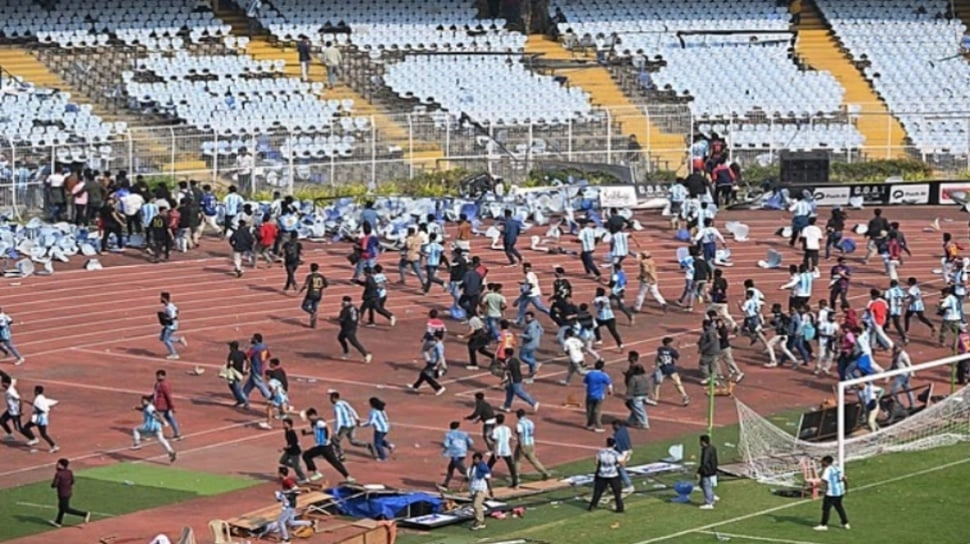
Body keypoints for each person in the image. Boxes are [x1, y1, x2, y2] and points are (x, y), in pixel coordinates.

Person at [300, 408, 353, 483]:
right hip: (321, 446)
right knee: (334, 461)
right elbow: (316, 431)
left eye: (308, 417)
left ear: (313, 415)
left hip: (324, 446)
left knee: (306, 455)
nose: (308, 419)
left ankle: (317, 473)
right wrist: (307, 433)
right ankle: (348, 476)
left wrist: (327, 439)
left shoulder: (319, 422)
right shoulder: (314, 423)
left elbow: (328, 427)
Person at [273, 467, 315, 543]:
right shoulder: (286, 481)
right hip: (291, 504)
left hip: (289, 505)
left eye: (278, 472)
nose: (278, 474)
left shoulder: (287, 481)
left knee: (280, 522)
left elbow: (296, 489)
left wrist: (304, 488)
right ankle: (310, 523)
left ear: (281, 473)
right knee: (291, 522)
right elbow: (294, 492)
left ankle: (286, 539)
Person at [131, 395, 177, 462]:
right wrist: (136, 408)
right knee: (161, 439)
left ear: (148, 401)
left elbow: (156, 415)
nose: (142, 402)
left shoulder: (150, 408)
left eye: (143, 401)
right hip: (157, 427)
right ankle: (171, 451)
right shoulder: (147, 407)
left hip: (150, 427)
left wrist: (163, 422)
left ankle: (137, 444)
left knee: (136, 429)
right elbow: (143, 409)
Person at [330, 391, 373, 460]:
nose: (330, 400)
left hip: (345, 426)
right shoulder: (344, 402)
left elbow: (339, 419)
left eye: (331, 398)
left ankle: (341, 455)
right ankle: (367, 445)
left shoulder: (337, 407)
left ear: (334, 398)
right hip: (352, 424)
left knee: (335, 440)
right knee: (352, 441)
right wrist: (357, 418)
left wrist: (336, 431)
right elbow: (352, 410)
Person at [49, 458, 90, 528]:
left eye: (58, 464)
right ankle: (58, 522)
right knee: (61, 507)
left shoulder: (59, 474)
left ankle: (84, 514)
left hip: (62, 493)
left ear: (62, 466)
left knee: (65, 509)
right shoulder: (69, 472)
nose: (56, 465)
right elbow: (72, 481)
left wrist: (53, 485)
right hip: (68, 492)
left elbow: (55, 484)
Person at [587, 437, 625, 513]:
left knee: (597, 492)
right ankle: (619, 508)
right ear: (614, 445)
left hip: (602, 474)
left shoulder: (600, 452)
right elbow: (622, 464)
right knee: (617, 492)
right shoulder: (616, 453)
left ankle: (592, 506)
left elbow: (596, 462)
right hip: (613, 475)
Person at [814, 455, 850, 531]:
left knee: (826, 509)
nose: (821, 464)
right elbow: (844, 478)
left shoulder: (828, 470)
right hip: (840, 492)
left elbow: (823, 481)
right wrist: (846, 489)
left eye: (822, 462)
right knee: (839, 507)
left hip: (832, 493)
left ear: (826, 462)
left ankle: (823, 524)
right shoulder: (837, 468)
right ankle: (845, 523)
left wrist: (814, 487)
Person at [513, 409, 550, 480]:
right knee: (534, 460)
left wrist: (521, 445)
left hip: (523, 443)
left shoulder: (519, 424)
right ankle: (545, 472)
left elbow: (520, 435)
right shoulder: (530, 422)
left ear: (518, 416)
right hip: (531, 443)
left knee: (517, 460)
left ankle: (516, 476)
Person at [439, 421, 474, 491]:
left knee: (461, 468)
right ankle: (445, 484)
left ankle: (470, 477)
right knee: (451, 468)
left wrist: (444, 449)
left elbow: (446, 444)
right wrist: (467, 447)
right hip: (463, 453)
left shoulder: (449, 434)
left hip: (455, 454)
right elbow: (470, 442)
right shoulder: (464, 434)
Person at [23, 384, 57, 453]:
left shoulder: (38, 399)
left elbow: (40, 409)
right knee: (28, 427)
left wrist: (36, 410)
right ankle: (34, 439)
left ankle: (53, 446)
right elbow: (38, 405)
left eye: (35, 391)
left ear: (37, 391)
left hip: (40, 418)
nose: (34, 392)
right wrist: (28, 402)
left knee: (42, 433)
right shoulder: (41, 398)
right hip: (41, 418)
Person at [487, 413, 518, 488]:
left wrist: (495, 451)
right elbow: (510, 439)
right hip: (507, 449)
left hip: (499, 450)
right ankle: (515, 482)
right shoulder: (507, 428)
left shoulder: (496, 430)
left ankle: (484, 478)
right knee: (511, 466)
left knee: (489, 465)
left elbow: (496, 442)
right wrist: (511, 448)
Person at [411, 330, 447, 395]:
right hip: (432, 362)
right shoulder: (438, 344)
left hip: (434, 363)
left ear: (437, 337)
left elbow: (440, 356)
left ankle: (438, 388)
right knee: (423, 374)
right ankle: (415, 386)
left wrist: (438, 365)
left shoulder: (439, 345)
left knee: (426, 375)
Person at [338, 296, 372, 363]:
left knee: (354, 342)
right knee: (340, 338)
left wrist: (337, 319)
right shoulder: (354, 307)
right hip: (350, 327)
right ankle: (346, 352)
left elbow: (342, 319)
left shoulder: (345, 310)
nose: (343, 302)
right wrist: (358, 321)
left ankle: (365, 354)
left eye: (344, 301)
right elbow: (358, 313)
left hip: (348, 328)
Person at [360, 397, 394, 461]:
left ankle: (383, 456)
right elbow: (386, 418)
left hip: (379, 429)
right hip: (386, 428)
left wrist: (361, 425)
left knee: (377, 444)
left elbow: (370, 422)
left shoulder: (373, 411)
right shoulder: (382, 410)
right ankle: (389, 445)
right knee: (380, 440)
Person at [583, 359, 613, 432]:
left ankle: (589, 424)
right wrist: (610, 391)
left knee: (589, 410)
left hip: (590, 394)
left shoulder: (589, 374)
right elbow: (609, 384)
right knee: (597, 411)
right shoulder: (603, 375)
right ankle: (598, 426)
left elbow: (585, 384)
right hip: (599, 395)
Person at [152, 369, 182, 441]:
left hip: (163, 405)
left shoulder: (164, 385)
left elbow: (168, 396)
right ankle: (177, 434)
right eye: (157, 375)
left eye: (160, 376)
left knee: (158, 419)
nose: (158, 377)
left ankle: (157, 433)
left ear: (164, 376)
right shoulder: (157, 384)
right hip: (158, 404)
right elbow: (155, 394)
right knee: (170, 419)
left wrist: (172, 406)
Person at [157, 292, 187, 360]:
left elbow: (173, 316)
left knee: (166, 340)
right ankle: (179, 340)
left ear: (164, 298)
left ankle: (174, 354)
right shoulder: (170, 305)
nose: (160, 299)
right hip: (170, 324)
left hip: (171, 325)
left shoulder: (169, 308)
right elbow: (177, 310)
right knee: (162, 337)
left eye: (161, 297)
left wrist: (166, 318)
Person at [467, 451, 493, 531]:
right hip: (474, 488)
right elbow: (470, 478)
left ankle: (479, 521)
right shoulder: (471, 468)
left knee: (476, 505)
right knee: (476, 507)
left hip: (481, 489)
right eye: (474, 459)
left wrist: (490, 490)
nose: (475, 461)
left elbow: (488, 479)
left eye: (477, 459)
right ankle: (480, 521)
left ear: (480, 460)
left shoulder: (483, 468)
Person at [298, 263, 328, 328]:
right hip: (318, 294)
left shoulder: (309, 276)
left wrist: (301, 290)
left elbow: (305, 285)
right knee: (315, 308)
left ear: (311, 268)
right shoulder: (321, 276)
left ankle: (311, 313)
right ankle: (313, 325)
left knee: (304, 306)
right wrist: (320, 288)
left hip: (311, 294)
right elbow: (326, 285)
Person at [611, 420, 635, 494]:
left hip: (622, 453)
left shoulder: (617, 435)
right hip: (628, 450)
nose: (612, 427)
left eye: (614, 425)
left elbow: (618, 448)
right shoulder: (624, 429)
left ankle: (629, 486)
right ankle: (619, 483)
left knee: (621, 469)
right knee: (619, 469)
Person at [697, 434, 719, 509]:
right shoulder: (712, 448)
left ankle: (709, 502)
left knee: (706, 486)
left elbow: (704, 462)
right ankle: (712, 496)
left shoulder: (706, 450)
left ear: (703, 442)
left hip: (706, 471)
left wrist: (699, 471)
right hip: (712, 470)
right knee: (704, 485)